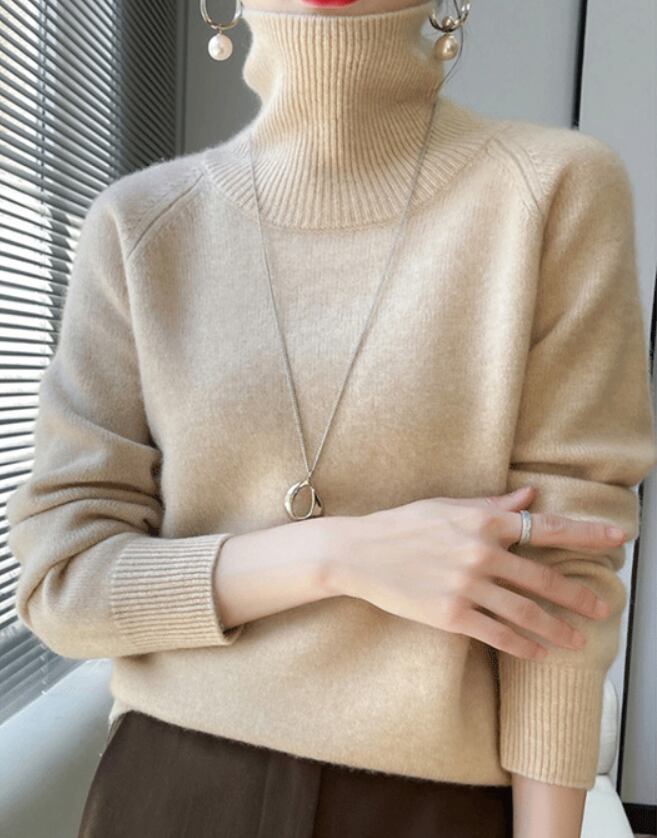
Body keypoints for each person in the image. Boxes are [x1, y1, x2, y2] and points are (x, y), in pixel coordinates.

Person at [6, 0, 656, 836]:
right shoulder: (139, 227)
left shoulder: (551, 190)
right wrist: (337, 555)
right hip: (170, 788)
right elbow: (61, 582)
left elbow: (561, 579)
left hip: (433, 807)